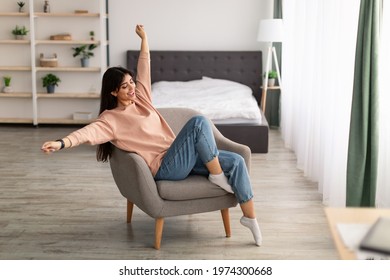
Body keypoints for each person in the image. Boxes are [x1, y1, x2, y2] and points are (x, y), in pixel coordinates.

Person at [41, 25, 262, 246]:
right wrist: (61, 143)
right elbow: (86, 133)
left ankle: (250, 218)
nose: (131, 89)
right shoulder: (110, 119)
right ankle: (217, 176)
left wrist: (144, 39)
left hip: (179, 157)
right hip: (165, 167)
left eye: (131, 83)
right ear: (113, 92)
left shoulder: (142, 98)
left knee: (237, 161)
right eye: (124, 86)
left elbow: (144, 66)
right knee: (198, 122)